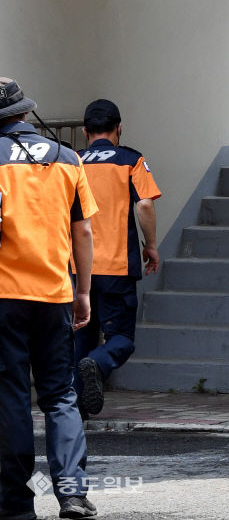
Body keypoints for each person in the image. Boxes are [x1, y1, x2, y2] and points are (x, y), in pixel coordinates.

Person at [0, 78, 98, 520]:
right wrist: (83, 291)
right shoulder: (67, 157)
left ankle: (18, 502)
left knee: (12, 397)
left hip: (4, 296)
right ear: (25, 112)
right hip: (55, 294)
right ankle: (73, 494)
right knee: (60, 396)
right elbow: (84, 230)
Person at [74, 99, 161, 419]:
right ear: (119, 128)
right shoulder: (131, 160)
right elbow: (145, 205)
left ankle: (76, 410)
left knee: (79, 338)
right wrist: (151, 245)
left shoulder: (73, 162)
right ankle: (98, 363)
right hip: (117, 266)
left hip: (75, 268)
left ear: (85, 132)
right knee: (121, 338)